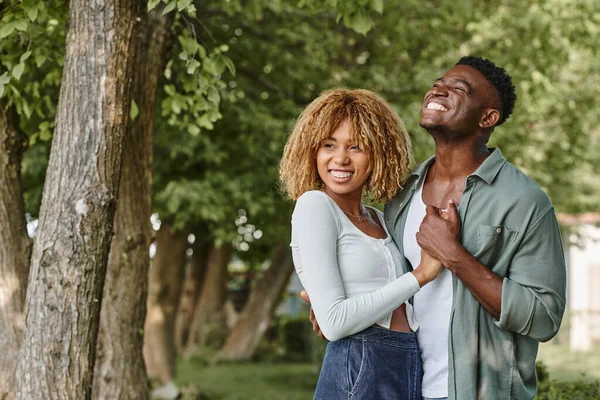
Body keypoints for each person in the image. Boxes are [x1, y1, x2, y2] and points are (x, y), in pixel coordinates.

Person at [304, 56, 567, 400]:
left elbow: (544, 317)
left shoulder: (524, 201)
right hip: (397, 383)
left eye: (458, 88)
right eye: (438, 83)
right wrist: (340, 309)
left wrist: (453, 255)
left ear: (488, 117)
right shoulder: (400, 194)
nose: (438, 90)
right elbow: (392, 284)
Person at [279, 88, 450, 400]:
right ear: (312, 152)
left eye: (355, 147)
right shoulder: (315, 205)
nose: (340, 158)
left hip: (406, 358)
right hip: (360, 362)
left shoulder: (380, 218)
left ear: (378, 154)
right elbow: (334, 323)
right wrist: (420, 276)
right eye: (329, 145)